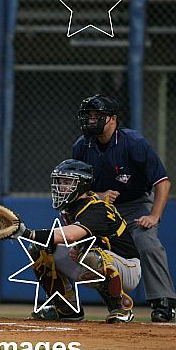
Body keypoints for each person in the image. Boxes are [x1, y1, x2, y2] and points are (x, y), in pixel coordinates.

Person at [73, 94, 176, 322]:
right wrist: (97, 195)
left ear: (112, 119)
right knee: (89, 252)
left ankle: (163, 302)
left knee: (147, 242)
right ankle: (110, 302)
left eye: (97, 116)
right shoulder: (82, 146)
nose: (91, 120)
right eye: (88, 116)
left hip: (136, 205)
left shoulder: (133, 143)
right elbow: (77, 190)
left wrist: (154, 215)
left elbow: (162, 182)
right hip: (100, 209)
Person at [12, 159, 141, 323]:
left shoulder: (97, 208)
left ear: (82, 185)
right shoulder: (70, 208)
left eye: (67, 182)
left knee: (91, 256)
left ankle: (121, 307)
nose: (61, 187)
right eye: (60, 182)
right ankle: (67, 308)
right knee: (40, 248)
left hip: (127, 267)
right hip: (93, 259)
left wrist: (27, 233)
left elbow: (71, 235)